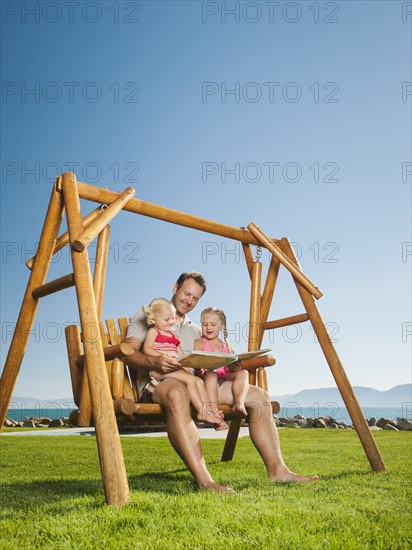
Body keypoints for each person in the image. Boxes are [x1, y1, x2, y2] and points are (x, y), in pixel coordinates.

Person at [124, 271, 318, 493]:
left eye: (195, 298)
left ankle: (278, 471)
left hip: (197, 384)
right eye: (186, 293)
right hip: (159, 381)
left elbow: (205, 364)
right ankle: (206, 482)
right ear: (175, 288)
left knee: (259, 396)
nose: (189, 301)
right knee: (178, 393)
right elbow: (128, 352)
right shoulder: (151, 313)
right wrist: (155, 361)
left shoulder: (196, 329)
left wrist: (229, 363)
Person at [141, 297, 224, 427]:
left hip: (174, 368)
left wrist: (187, 362)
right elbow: (147, 349)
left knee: (199, 381)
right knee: (191, 380)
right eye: (167, 319)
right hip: (160, 370)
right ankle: (201, 412)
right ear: (154, 319)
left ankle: (210, 410)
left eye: (173, 318)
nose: (171, 322)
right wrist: (162, 356)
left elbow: (179, 352)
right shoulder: (153, 331)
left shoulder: (173, 335)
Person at [193, 307, 250, 430]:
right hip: (206, 377)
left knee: (243, 373)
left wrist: (233, 367)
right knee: (212, 373)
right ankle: (215, 414)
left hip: (222, 377)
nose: (208, 328)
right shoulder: (200, 343)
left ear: (222, 325)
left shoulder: (228, 347)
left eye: (213, 324)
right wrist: (201, 365)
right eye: (204, 324)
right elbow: (196, 360)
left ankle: (239, 403)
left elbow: (227, 370)